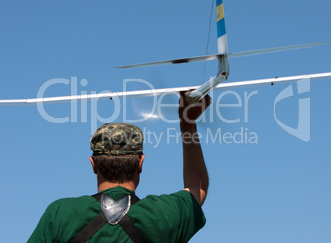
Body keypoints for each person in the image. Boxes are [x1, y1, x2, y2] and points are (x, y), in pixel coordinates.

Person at [28, 92, 211, 242]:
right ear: (141, 163)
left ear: (93, 164)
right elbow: (197, 188)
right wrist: (187, 123)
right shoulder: (164, 214)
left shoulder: (60, 214)